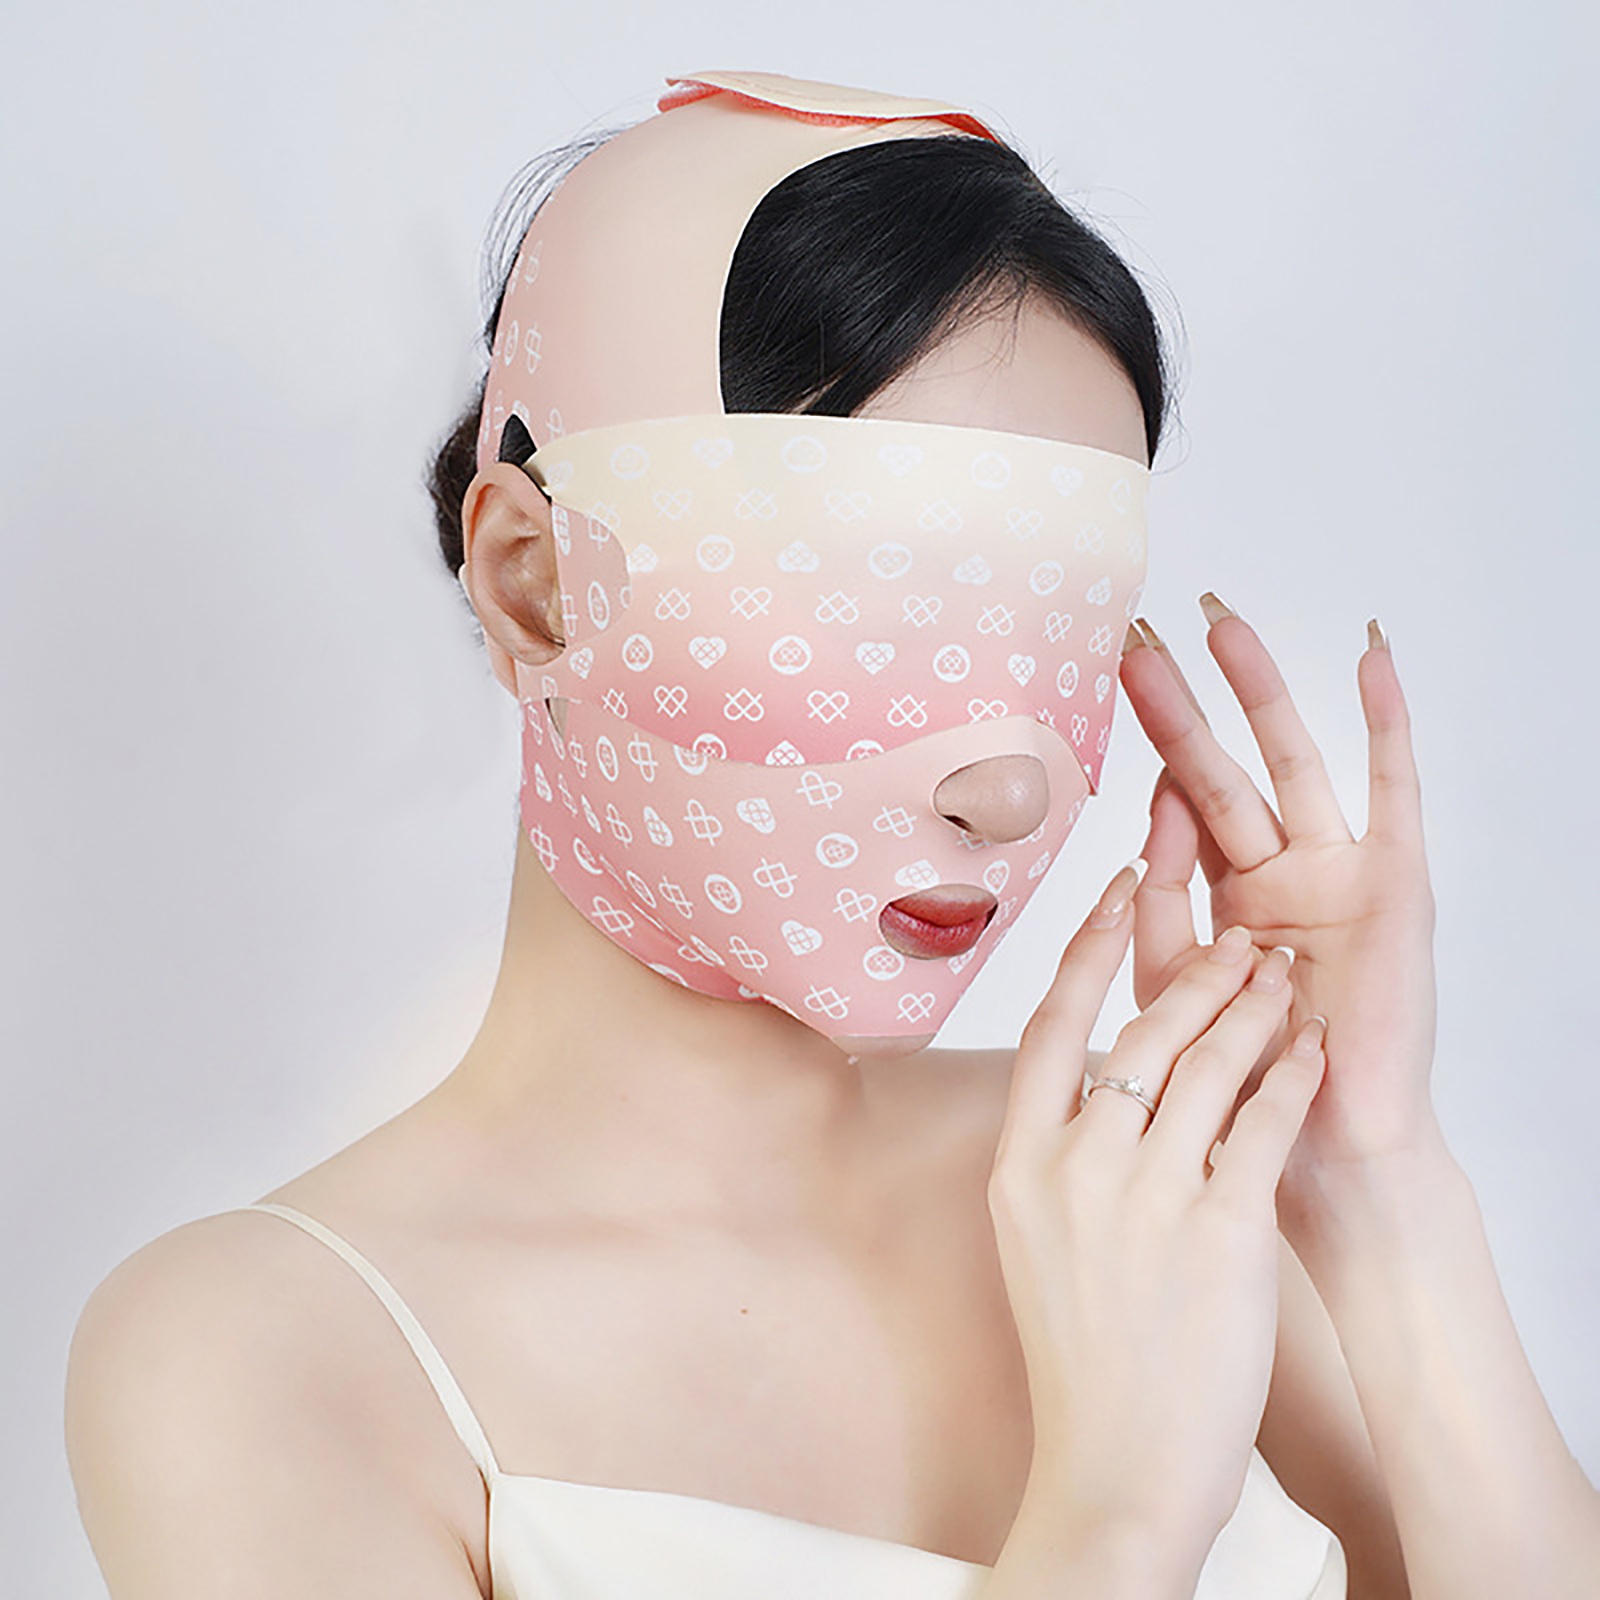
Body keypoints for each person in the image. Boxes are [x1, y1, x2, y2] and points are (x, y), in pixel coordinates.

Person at [63, 71, 1599, 1600]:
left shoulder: (1151, 1171)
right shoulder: (255, 1359)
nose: (1010, 789)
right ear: (534, 581)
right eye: (873, 603)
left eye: (1060, 622)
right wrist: (1118, 1521)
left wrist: (1374, 1188)